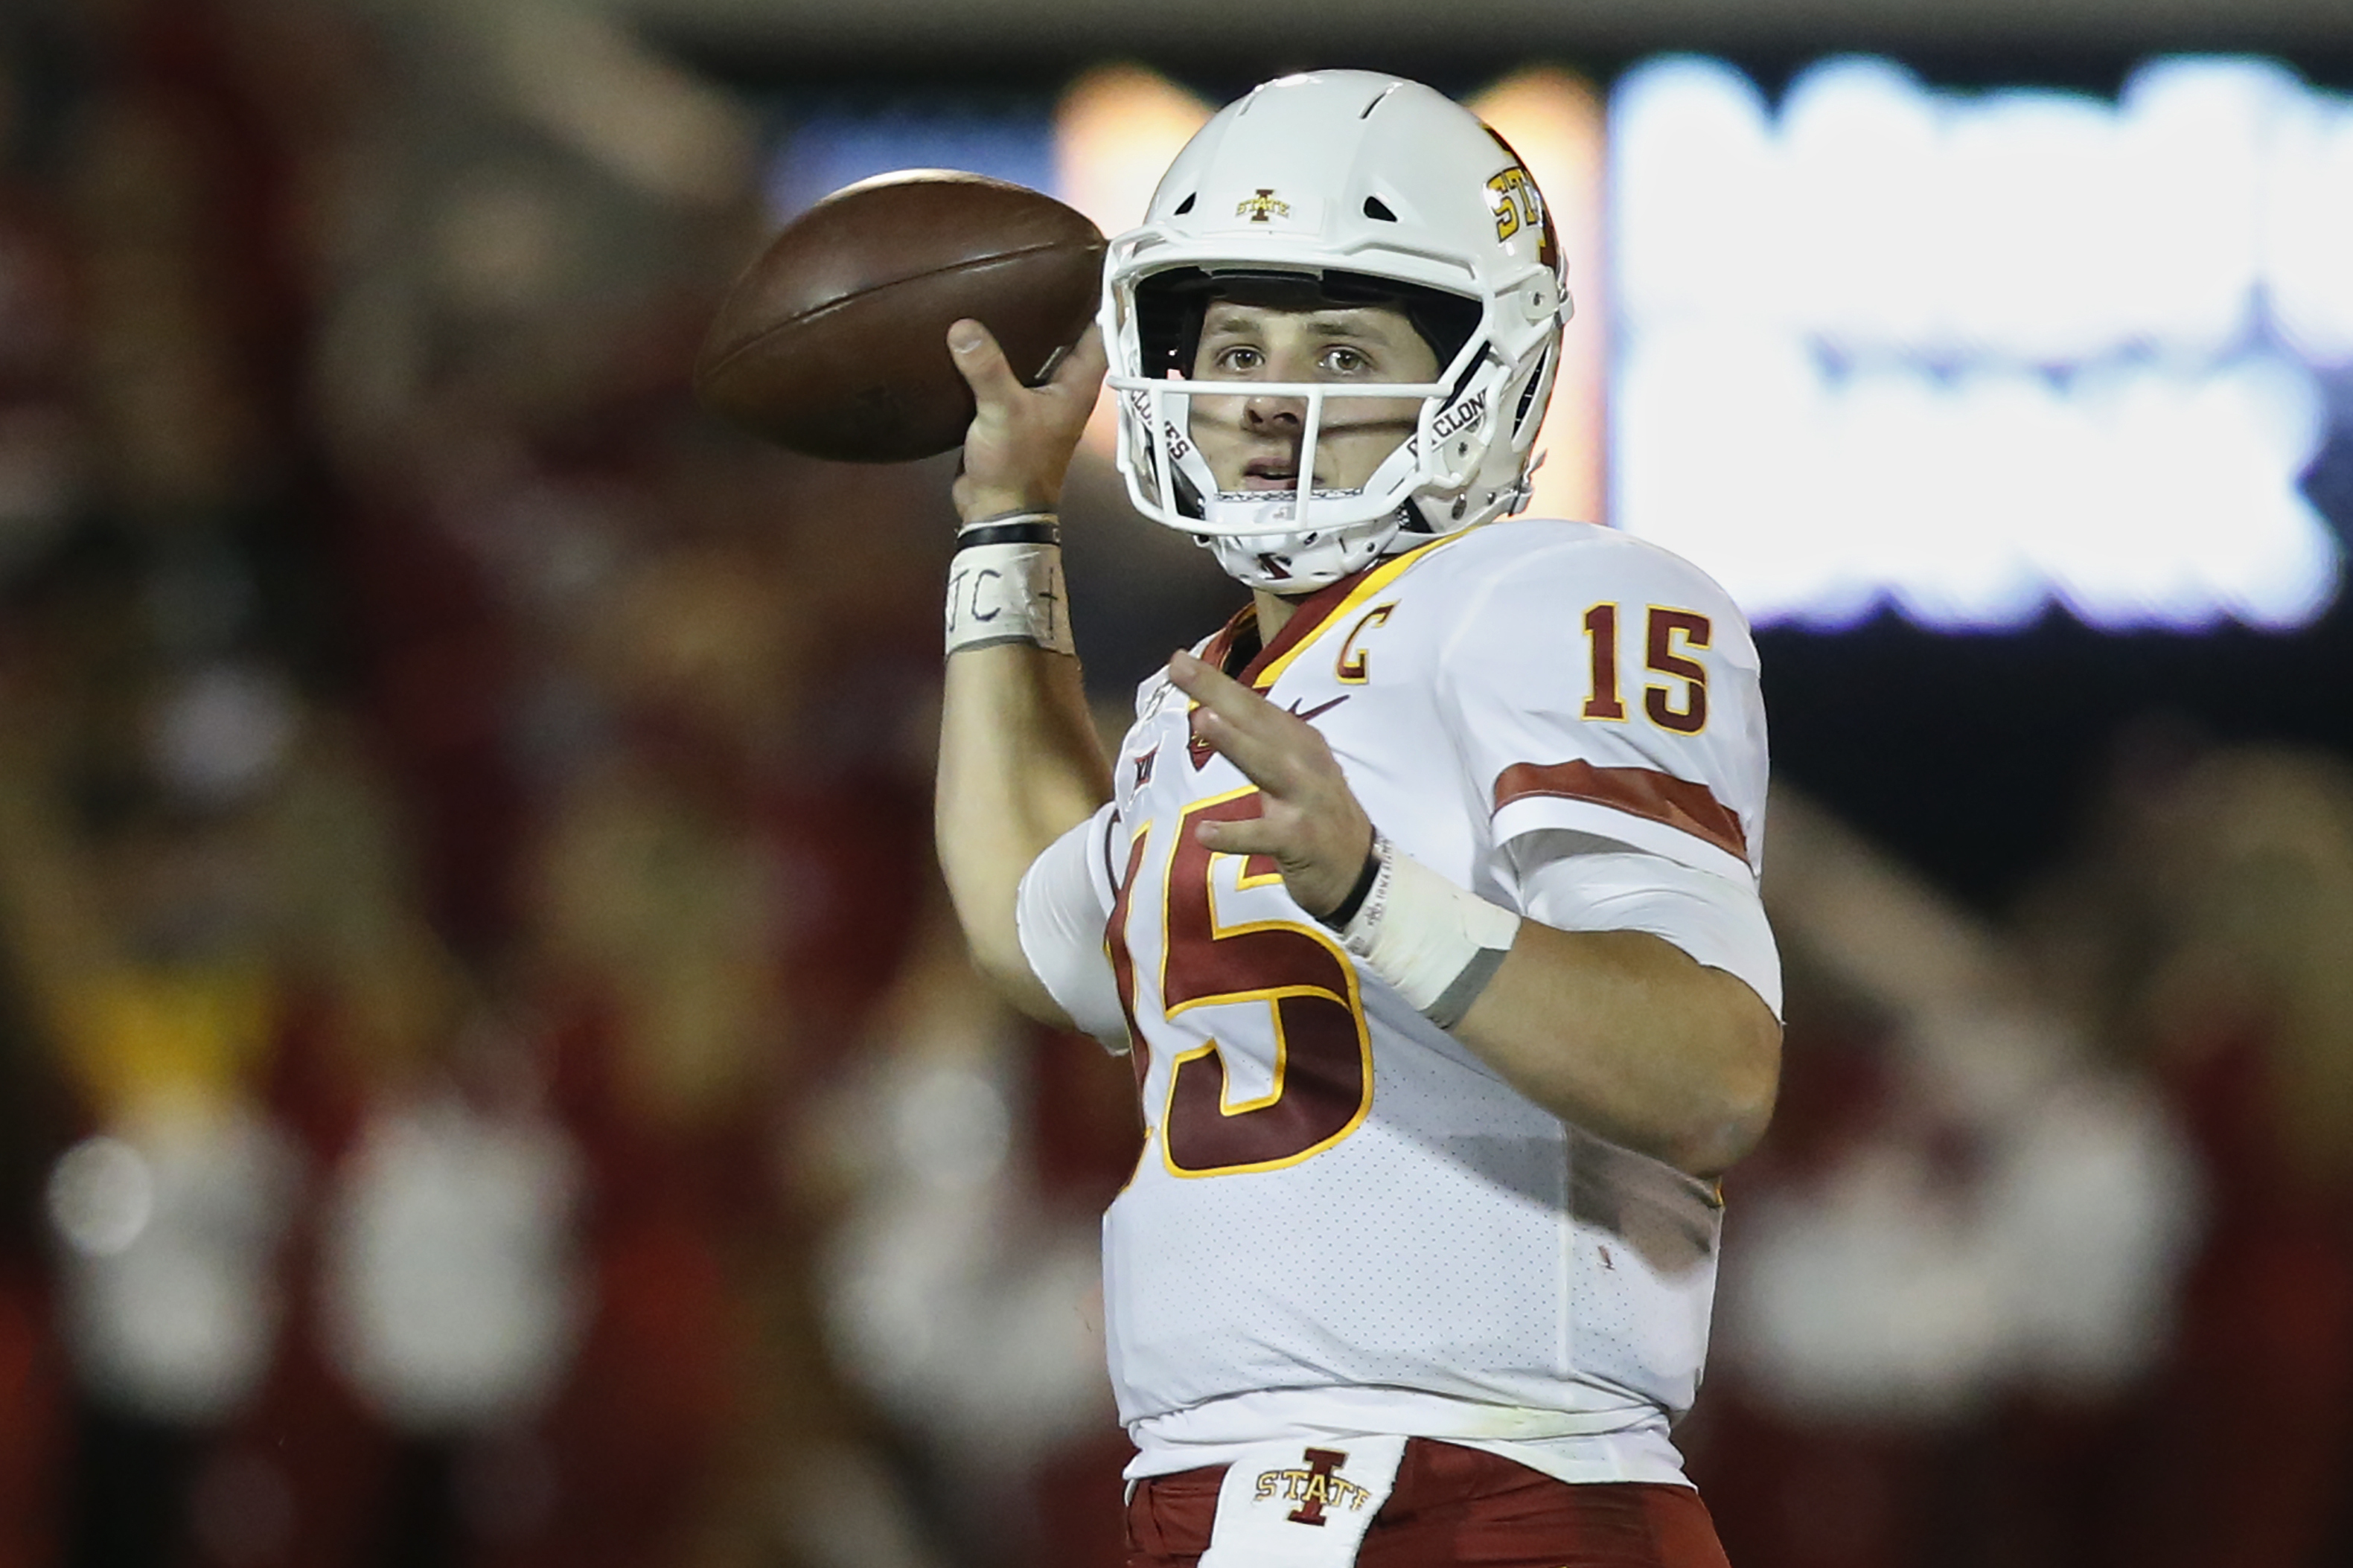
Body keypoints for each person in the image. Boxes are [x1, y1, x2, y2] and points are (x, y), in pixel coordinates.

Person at [932, 68, 1783, 1567]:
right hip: (1214, 1493)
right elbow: (1034, 933)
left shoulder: (1551, 596)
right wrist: (1005, 523)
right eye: (1235, 342)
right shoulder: (1216, 689)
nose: (1268, 394)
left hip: (1496, 1489)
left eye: (1340, 345)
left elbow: (1711, 1072)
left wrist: (1380, 895)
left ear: (1486, 368)